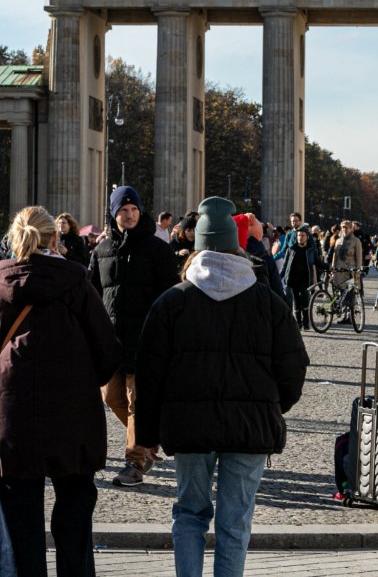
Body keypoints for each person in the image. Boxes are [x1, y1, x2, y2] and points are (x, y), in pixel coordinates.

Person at [136, 196, 309, 577]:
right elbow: (295, 366)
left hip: (189, 426)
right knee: (235, 522)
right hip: (250, 425)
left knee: (189, 514)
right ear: (238, 244)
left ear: (195, 246)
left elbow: (149, 374)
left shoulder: (171, 302)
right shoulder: (268, 302)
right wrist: (271, 406)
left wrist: (147, 433)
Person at [0, 205, 121, 577]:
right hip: (73, 417)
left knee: (19, 531)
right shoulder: (78, 287)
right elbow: (108, 352)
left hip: (11, 417)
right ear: (56, 238)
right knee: (74, 519)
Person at [88, 184, 179, 488]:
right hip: (112, 341)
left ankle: (134, 462)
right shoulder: (100, 251)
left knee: (136, 402)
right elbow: (92, 295)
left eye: (134, 210)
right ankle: (149, 442)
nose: (129, 215)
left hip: (145, 340)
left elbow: (170, 296)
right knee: (112, 398)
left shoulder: (158, 249)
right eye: (123, 210)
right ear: (113, 214)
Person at [278, 224, 323, 330]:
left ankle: (306, 323)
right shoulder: (291, 249)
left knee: (305, 300)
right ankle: (298, 323)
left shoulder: (310, 250)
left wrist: (327, 266)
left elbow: (317, 261)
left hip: (305, 279)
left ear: (307, 237)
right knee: (296, 302)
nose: (300, 237)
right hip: (293, 279)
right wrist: (279, 276)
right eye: (298, 235)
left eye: (302, 235)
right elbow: (285, 265)